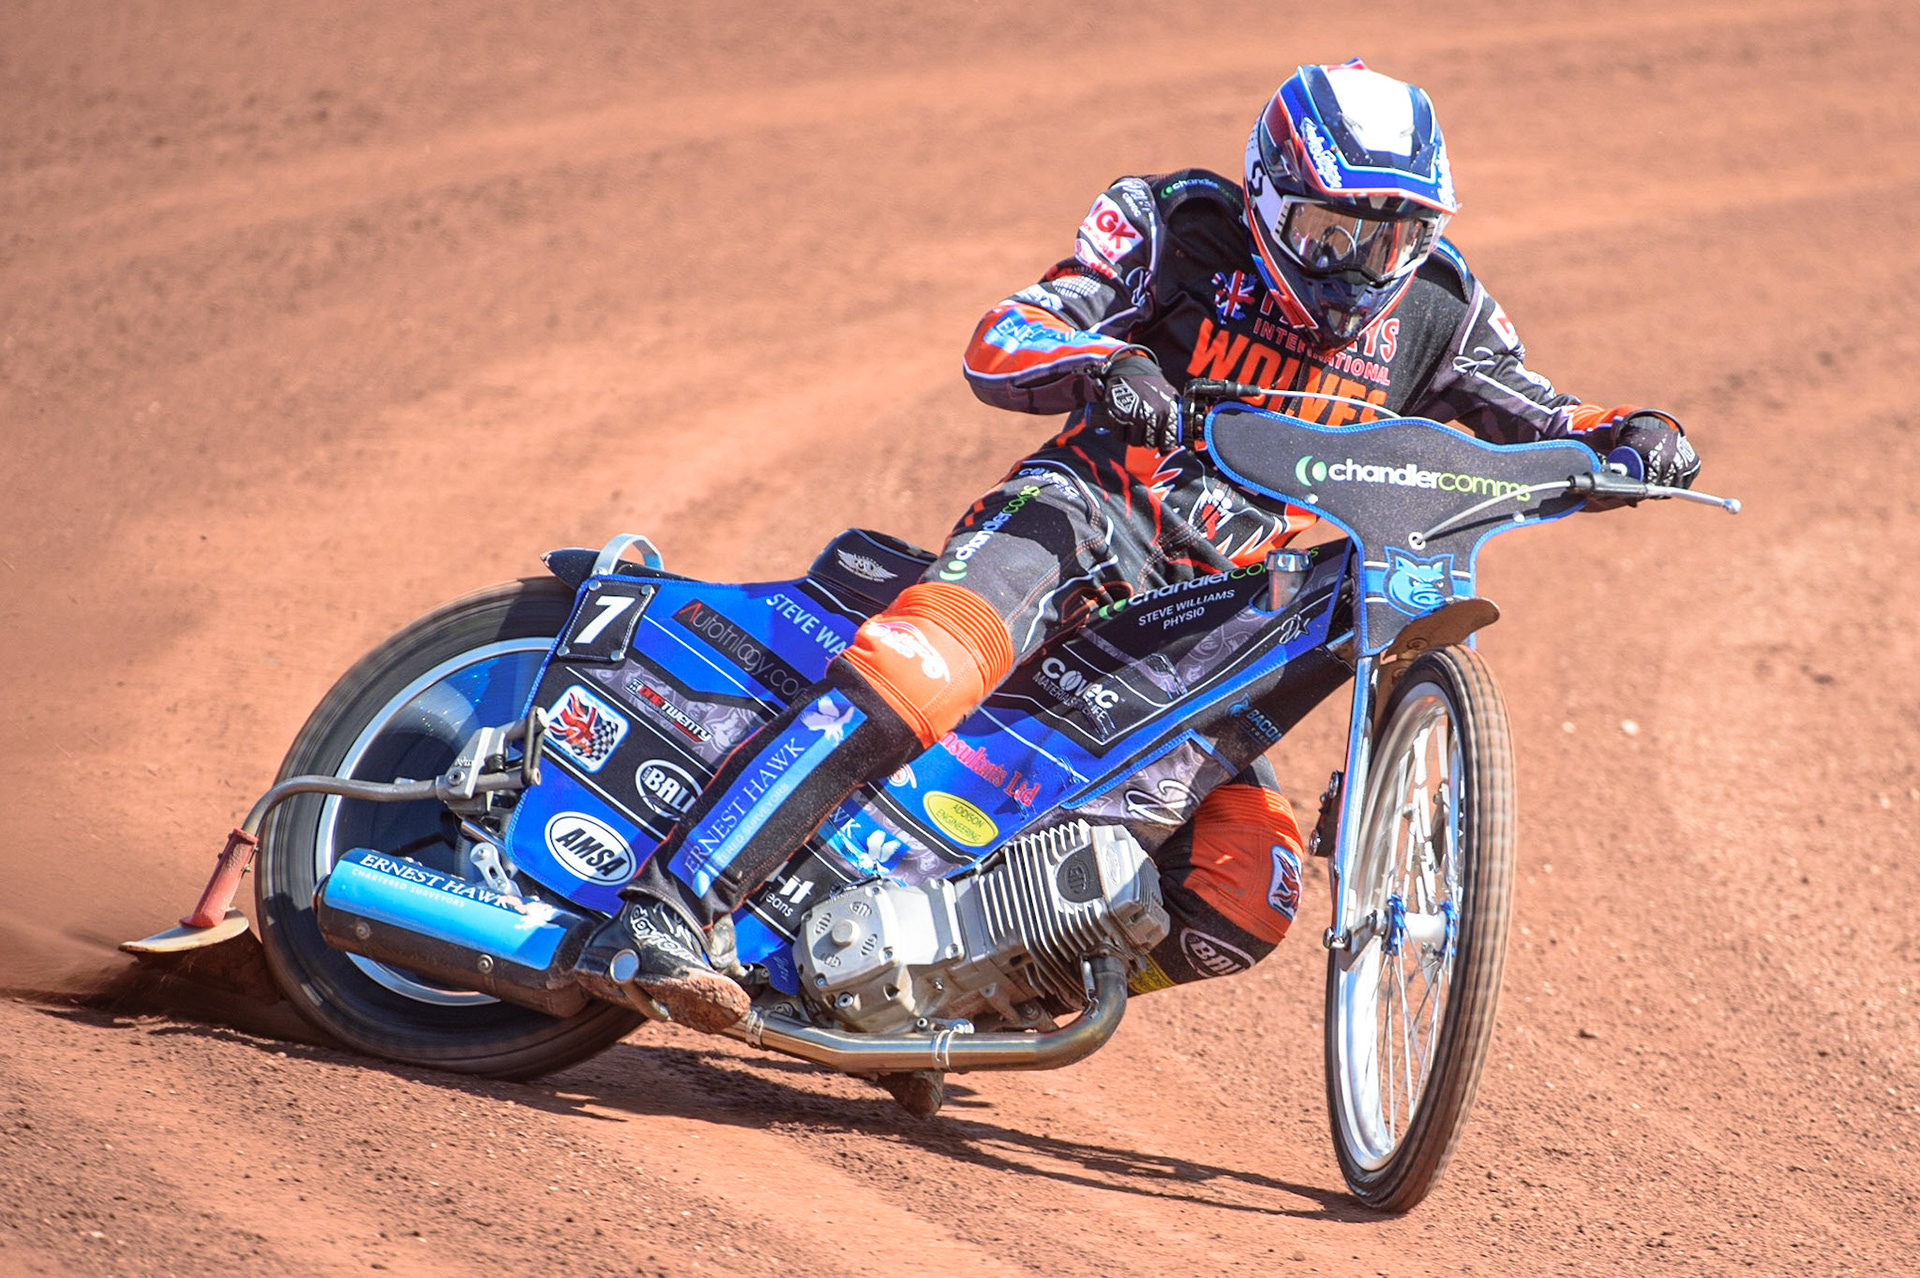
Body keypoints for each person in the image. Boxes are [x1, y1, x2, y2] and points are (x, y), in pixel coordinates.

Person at [590, 60, 1702, 1032]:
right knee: (925, 664)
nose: (1358, 270)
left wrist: (1635, 438)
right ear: (1269, 198)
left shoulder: (1442, 309)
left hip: (1206, 616)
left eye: (1394, 240)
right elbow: (1007, 333)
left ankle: (954, 996)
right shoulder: (1170, 220)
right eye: (1330, 234)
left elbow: (1547, 415)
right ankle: (668, 908)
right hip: (1080, 527)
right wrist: (1099, 364)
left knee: (1245, 889)